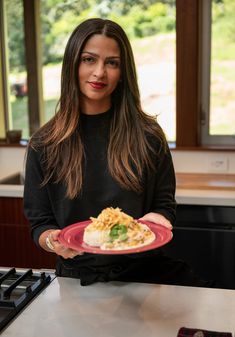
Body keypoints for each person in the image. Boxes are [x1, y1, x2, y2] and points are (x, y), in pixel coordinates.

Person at [23, 18, 213, 287]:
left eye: (112, 63)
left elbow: (164, 205)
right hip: (77, 281)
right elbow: (40, 223)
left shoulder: (148, 136)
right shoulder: (44, 143)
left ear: (123, 72)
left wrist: (157, 220)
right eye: (89, 59)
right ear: (72, 65)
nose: (99, 72)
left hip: (145, 278)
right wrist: (52, 241)